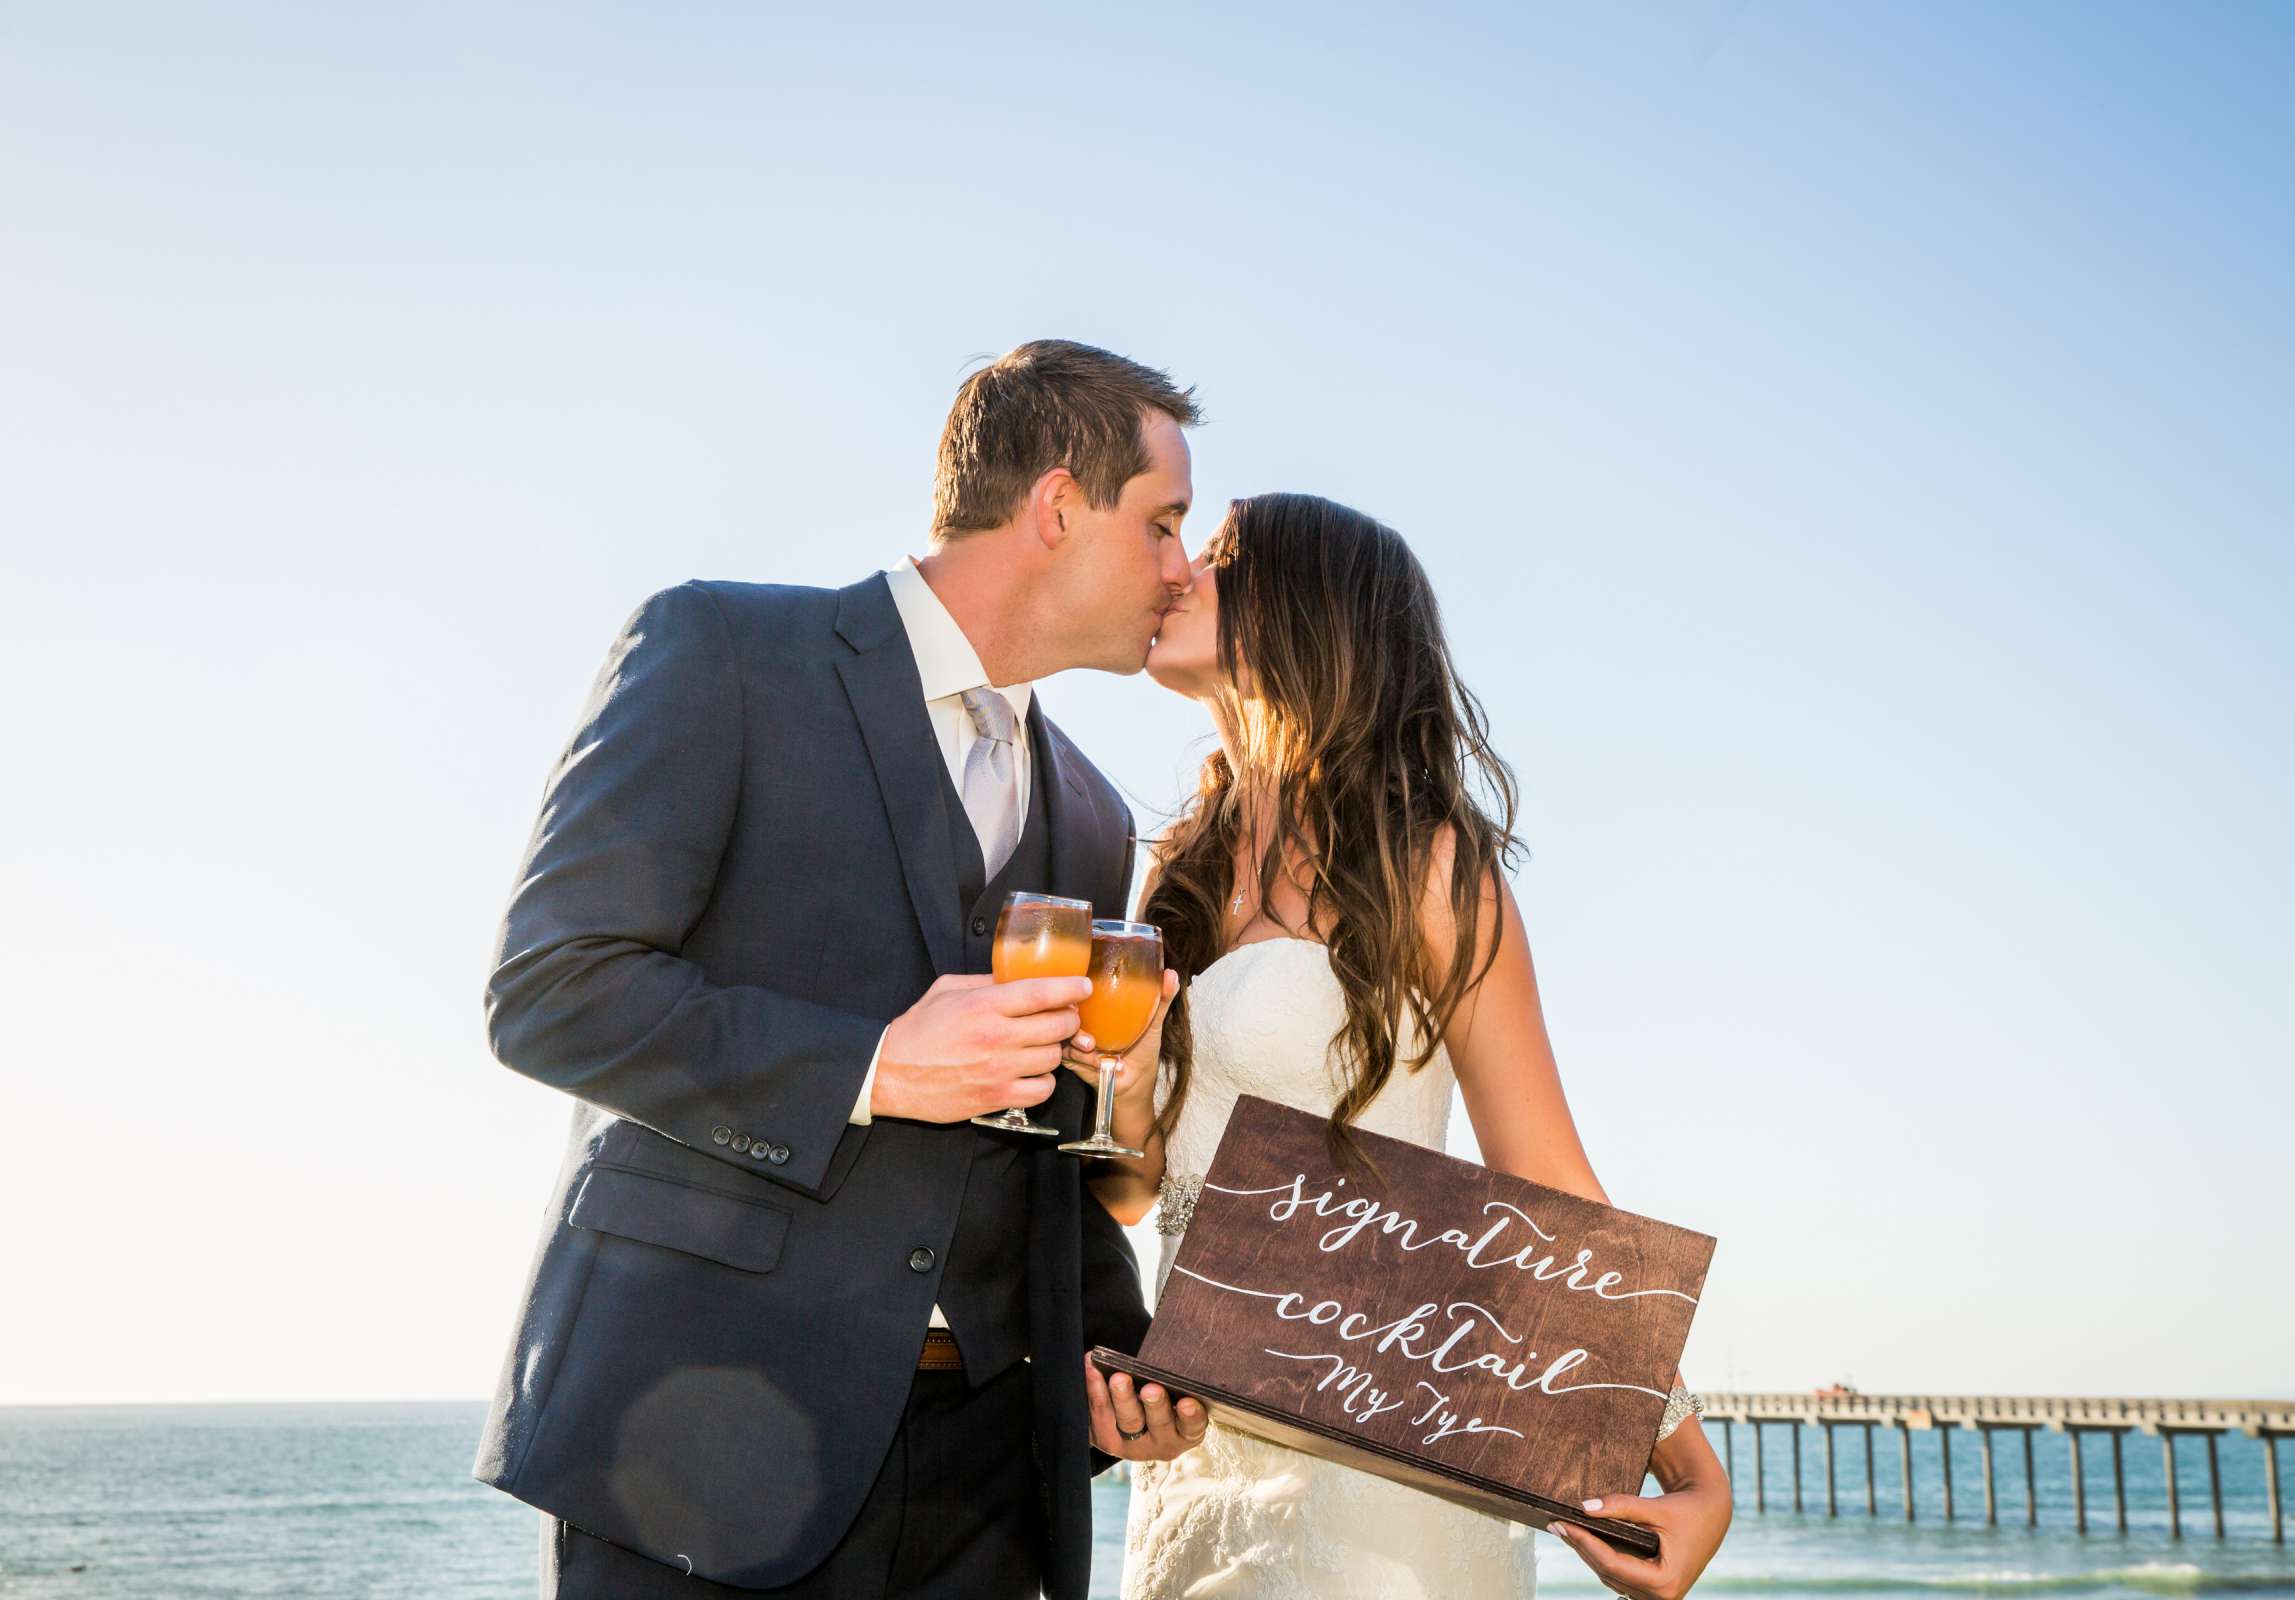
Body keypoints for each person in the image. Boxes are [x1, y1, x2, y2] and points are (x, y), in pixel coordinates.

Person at [472, 339, 1212, 1600]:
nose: (1179, 569)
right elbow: (552, 987)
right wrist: (868, 1066)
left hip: (985, 1488)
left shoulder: (1090, 813)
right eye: (1162, 524)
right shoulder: (725, 650)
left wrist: (1114, 1355)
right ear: (1056, 507)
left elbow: (1049, 1141)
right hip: (689, 1445)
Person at [1066, 492, 1734, 1600]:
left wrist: (1692, 1468)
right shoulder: (1175, 866)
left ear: (1308, 610)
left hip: (1382, 1468)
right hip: (1198, 1467)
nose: (1177, 570)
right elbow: (1134, 1189)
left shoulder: (1429, 866)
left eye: (1220, 556)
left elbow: (1544, 1178)